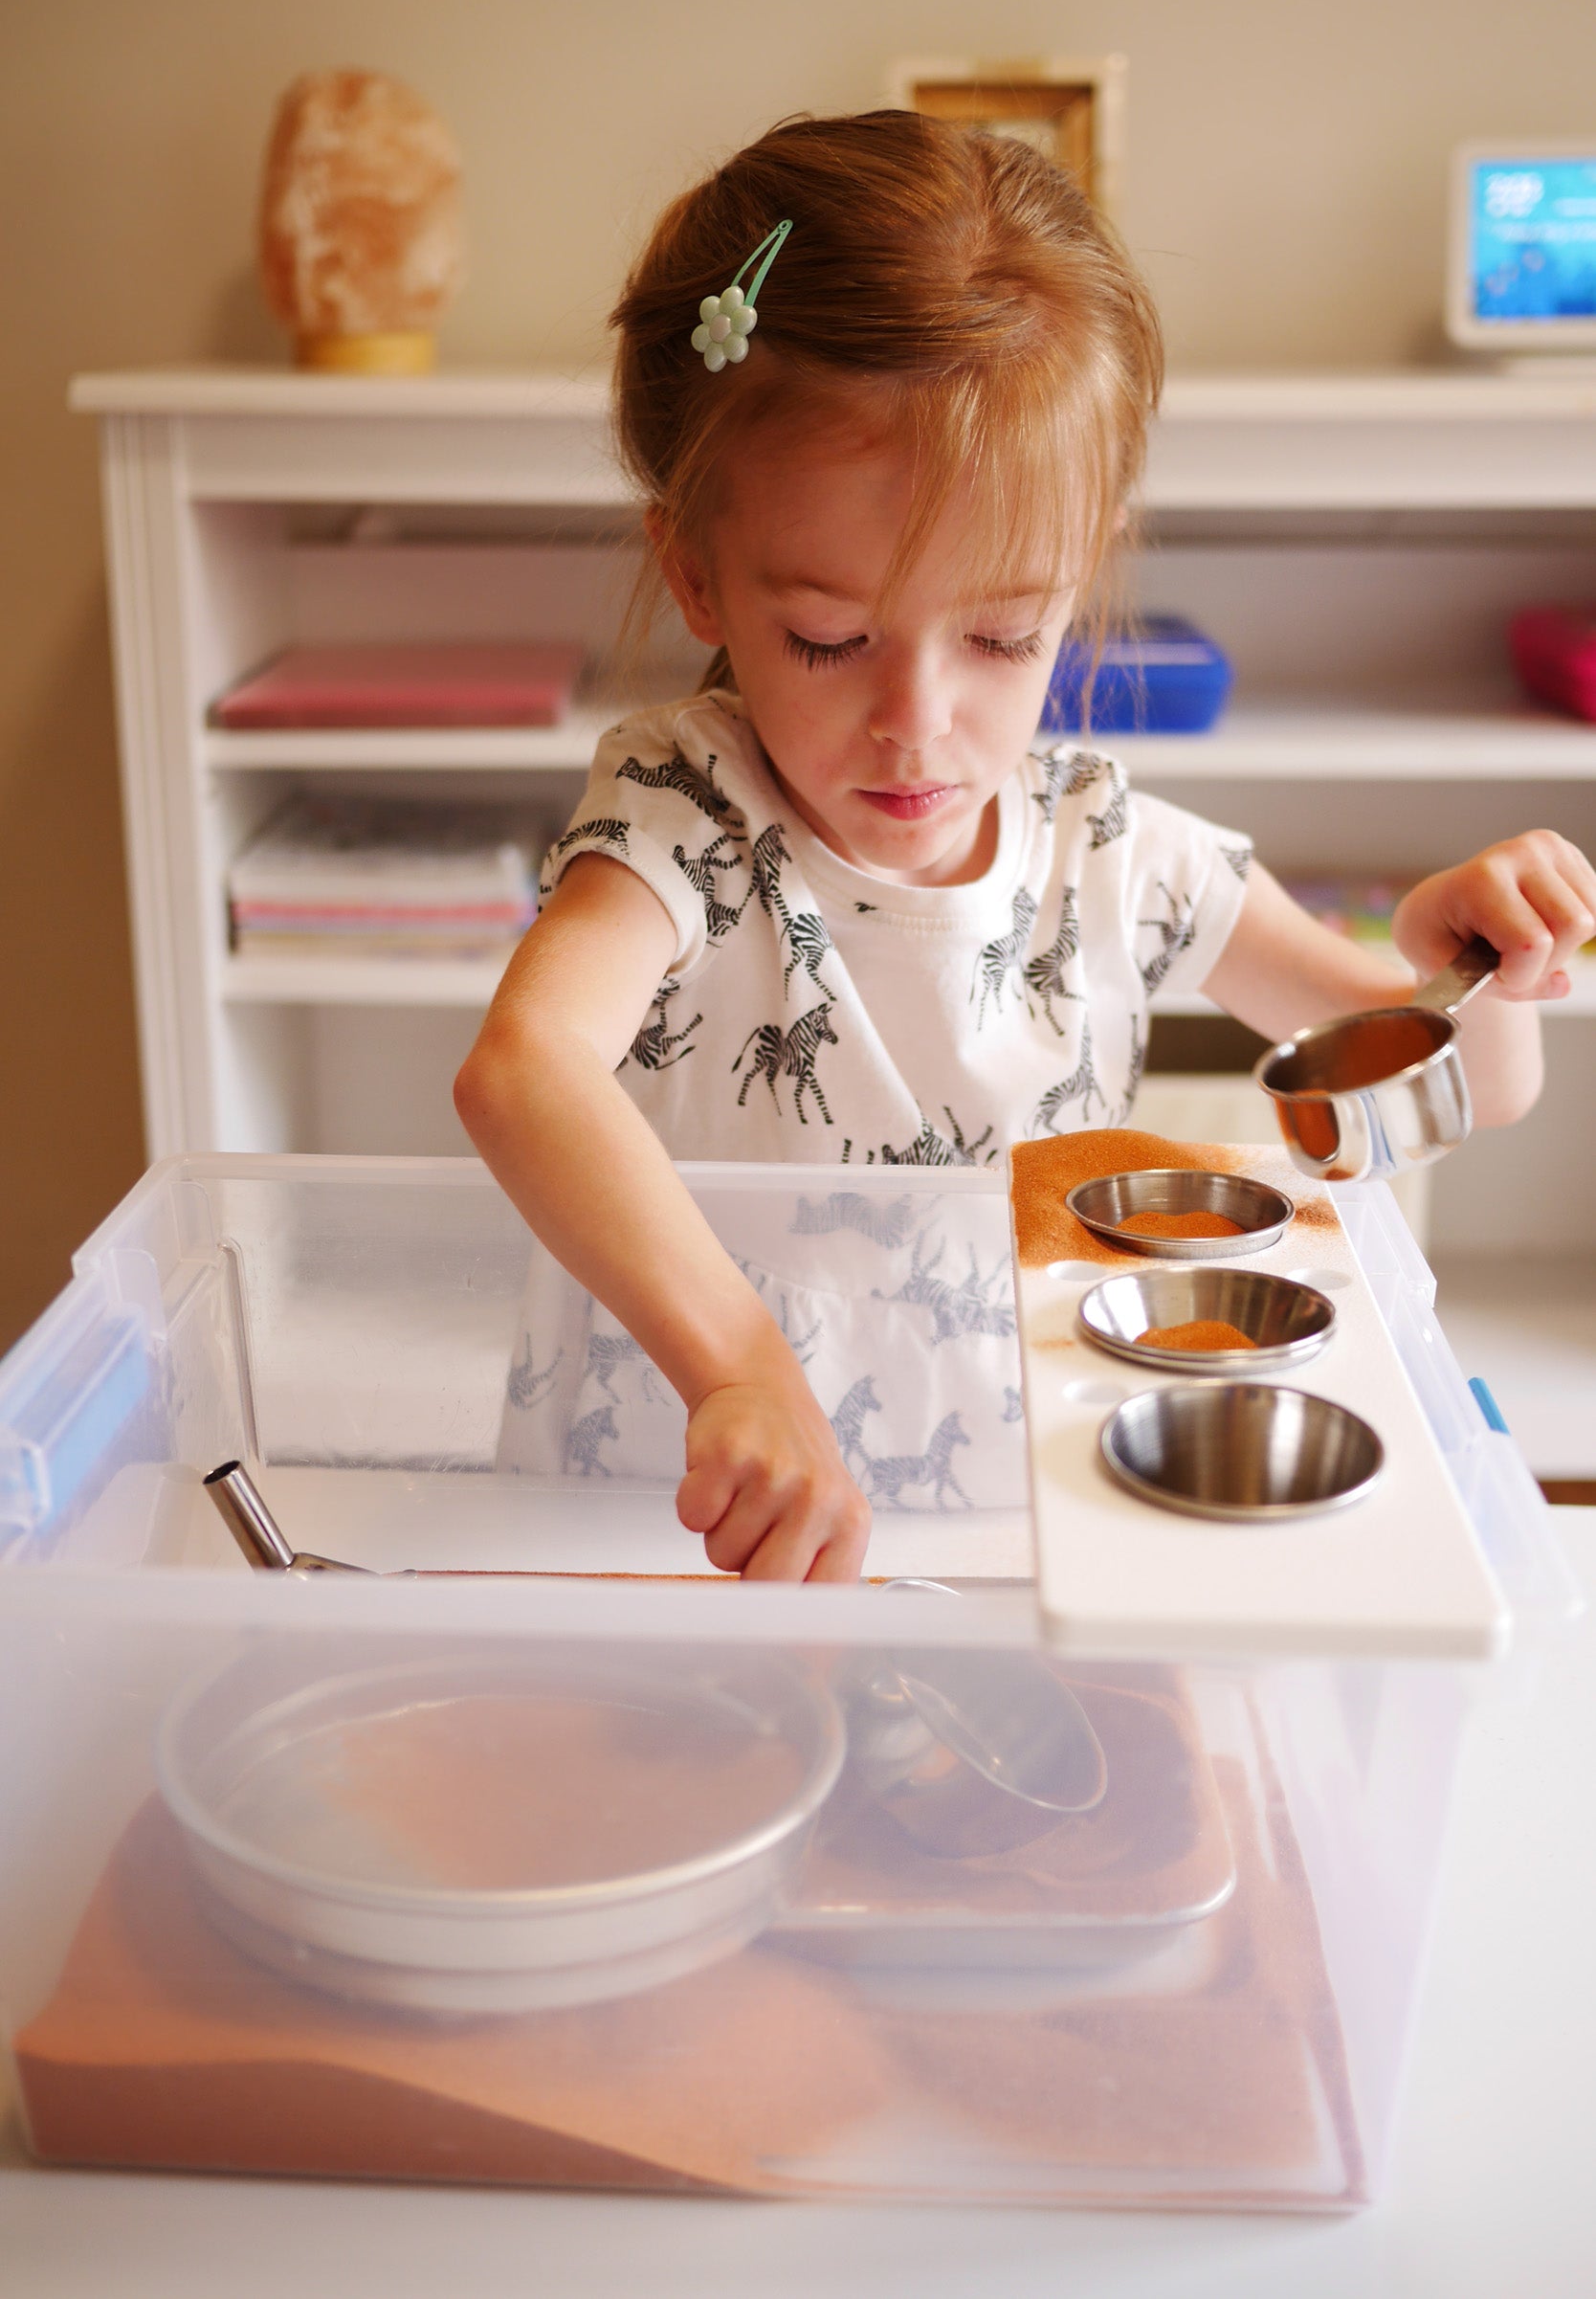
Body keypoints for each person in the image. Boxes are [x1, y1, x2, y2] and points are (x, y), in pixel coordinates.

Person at [454, 111, 1596, 1584]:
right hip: (677, 1520)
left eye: (1003, 635)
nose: (916, 723)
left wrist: (1485, 972)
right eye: (828, 638)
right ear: (696, 569)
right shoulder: (684, 812)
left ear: (1083, 567)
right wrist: (738, 1366)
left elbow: (1464, 1091)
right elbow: (522, 1070)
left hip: (1012, 1517)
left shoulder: (1105, 844)